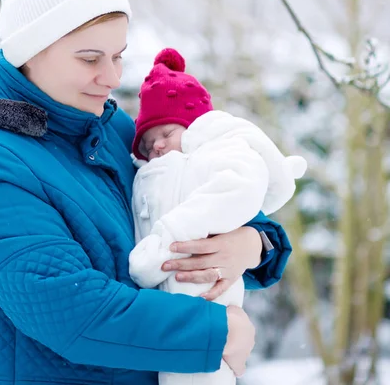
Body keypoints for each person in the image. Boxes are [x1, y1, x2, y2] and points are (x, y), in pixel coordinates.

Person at [0, 0, 292, 385]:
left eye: (118, 56)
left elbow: (192, 189)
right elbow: (68, 310)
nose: (112, 78)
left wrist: (254, 242)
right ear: (31, 50)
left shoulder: (108, 129)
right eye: (90, 59)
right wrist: (215, 332)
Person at [128, 48, 306, 385]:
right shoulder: (147, 174)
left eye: (166, 135)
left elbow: (239, 200)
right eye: (149, 144)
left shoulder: (214, 157)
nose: (159, 148)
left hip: (204, 301)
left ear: (198, 128)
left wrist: (257, 241)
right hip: (159, 316)